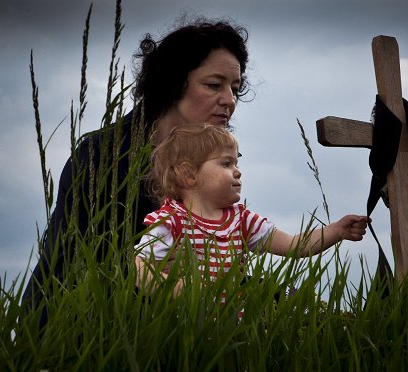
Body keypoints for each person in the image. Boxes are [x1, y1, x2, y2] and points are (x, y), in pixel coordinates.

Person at [22, 18, 251, 327]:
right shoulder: (101, 155)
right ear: (174, 82)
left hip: (173, 330)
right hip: (78, 331)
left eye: (234, 88)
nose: (229, 100)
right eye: (214, 85)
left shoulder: (212, 164)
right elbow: (77, 264)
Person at [134, 124, 370, 297]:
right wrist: (178, 288)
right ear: (189, 174)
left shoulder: (242, 220)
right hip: (185, 330)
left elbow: (296, 245)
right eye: (226, 163)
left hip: (234, 330)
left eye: (237, 163)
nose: (238, 171)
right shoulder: (171, 221)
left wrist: (336, 231)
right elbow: (138, 267)